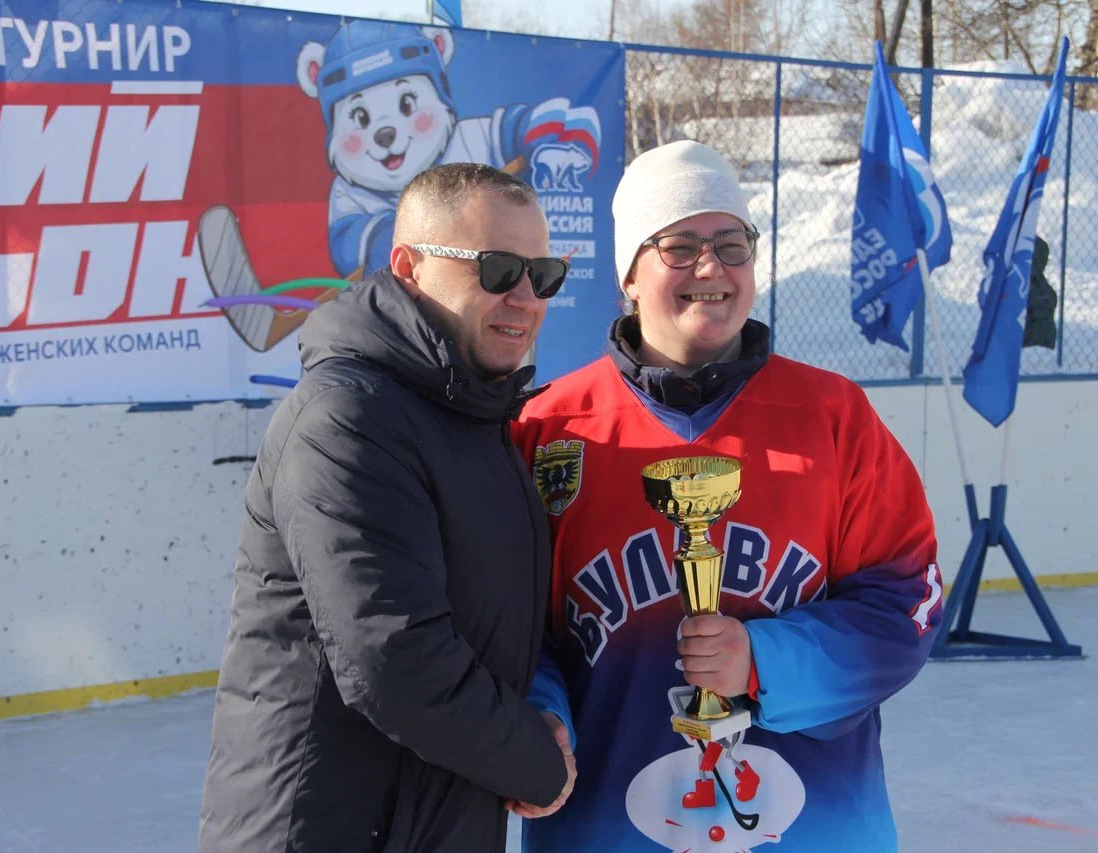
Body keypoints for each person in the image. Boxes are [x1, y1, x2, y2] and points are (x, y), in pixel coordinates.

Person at [514, 140, 942, 851]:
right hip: (607, 830)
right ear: (629, 273)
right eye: (679, 245)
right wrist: (538, 713)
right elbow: (508, 628)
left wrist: (766, 661)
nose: (710, 268)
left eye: (731, 244)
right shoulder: (548, 429)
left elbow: (908, 603)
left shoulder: (833, 416)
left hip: (815, 830)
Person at [199, 163, 576, 852]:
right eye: (496, 270)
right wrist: (533, 757)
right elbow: (394, 658)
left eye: (543, 274)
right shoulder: (347, 417)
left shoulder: (474, 418)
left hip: (429, 817)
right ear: (409, 266)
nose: (526, 297)